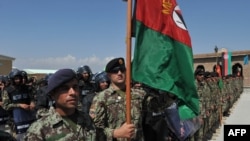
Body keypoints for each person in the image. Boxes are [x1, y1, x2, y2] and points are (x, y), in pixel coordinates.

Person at [24, 68, 96, 141]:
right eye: (65, 88)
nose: (73, 92)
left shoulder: (87, 119)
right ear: (53, 94)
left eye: (75, 87)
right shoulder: (39, 130)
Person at [89, 57, 146, 141]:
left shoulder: (138, 94)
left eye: (122, 70)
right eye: (115, 71)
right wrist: (115, 133)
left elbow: (158, 106)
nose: (119, 73)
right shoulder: (101, 98)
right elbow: (94, 129)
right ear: (108, 75)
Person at [2, 69, 36, 141]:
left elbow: (33, 98)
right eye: (16, 79)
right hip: (15, 120)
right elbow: (6, 106)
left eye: (19, 78)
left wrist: (32, 102)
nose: (18, 80)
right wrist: (19, 105)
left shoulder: (27, 88)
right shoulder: (8, 91)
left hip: (29, 118)